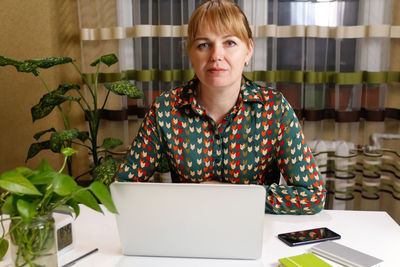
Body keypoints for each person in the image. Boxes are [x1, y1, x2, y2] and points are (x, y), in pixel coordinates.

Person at [115, 0, 326, 215]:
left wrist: (232, 196)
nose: (216, 55)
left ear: (248, 51)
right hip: (188, 227)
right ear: (191, 53)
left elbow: (312, 195)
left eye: (230, 43)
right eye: (203, 45)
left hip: (255, 232)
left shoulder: (274, 109)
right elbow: (122, 188)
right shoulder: (166, 109)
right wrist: (182, 199)